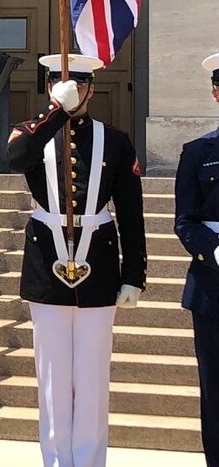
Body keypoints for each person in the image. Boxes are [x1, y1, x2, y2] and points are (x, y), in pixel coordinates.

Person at [6, 54, 146, 467]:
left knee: (91, 378)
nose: (74, 92)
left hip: (98, 262)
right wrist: (55, 113)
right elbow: (17, 159)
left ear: (92, 89)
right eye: (63, 84)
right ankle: (55, 461)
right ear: (50, 86)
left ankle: (88, 462)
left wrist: (134, 275)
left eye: (80, 85)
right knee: (51, 377)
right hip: (46, 259)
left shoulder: (115, 141)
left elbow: (131, 212)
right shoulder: (31, 132)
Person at [175, 52, 219, 467]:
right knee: (215, 391)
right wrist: (216, 250)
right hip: (212, 286)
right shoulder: (196, 151)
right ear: (215, 94)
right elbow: (185, 222)